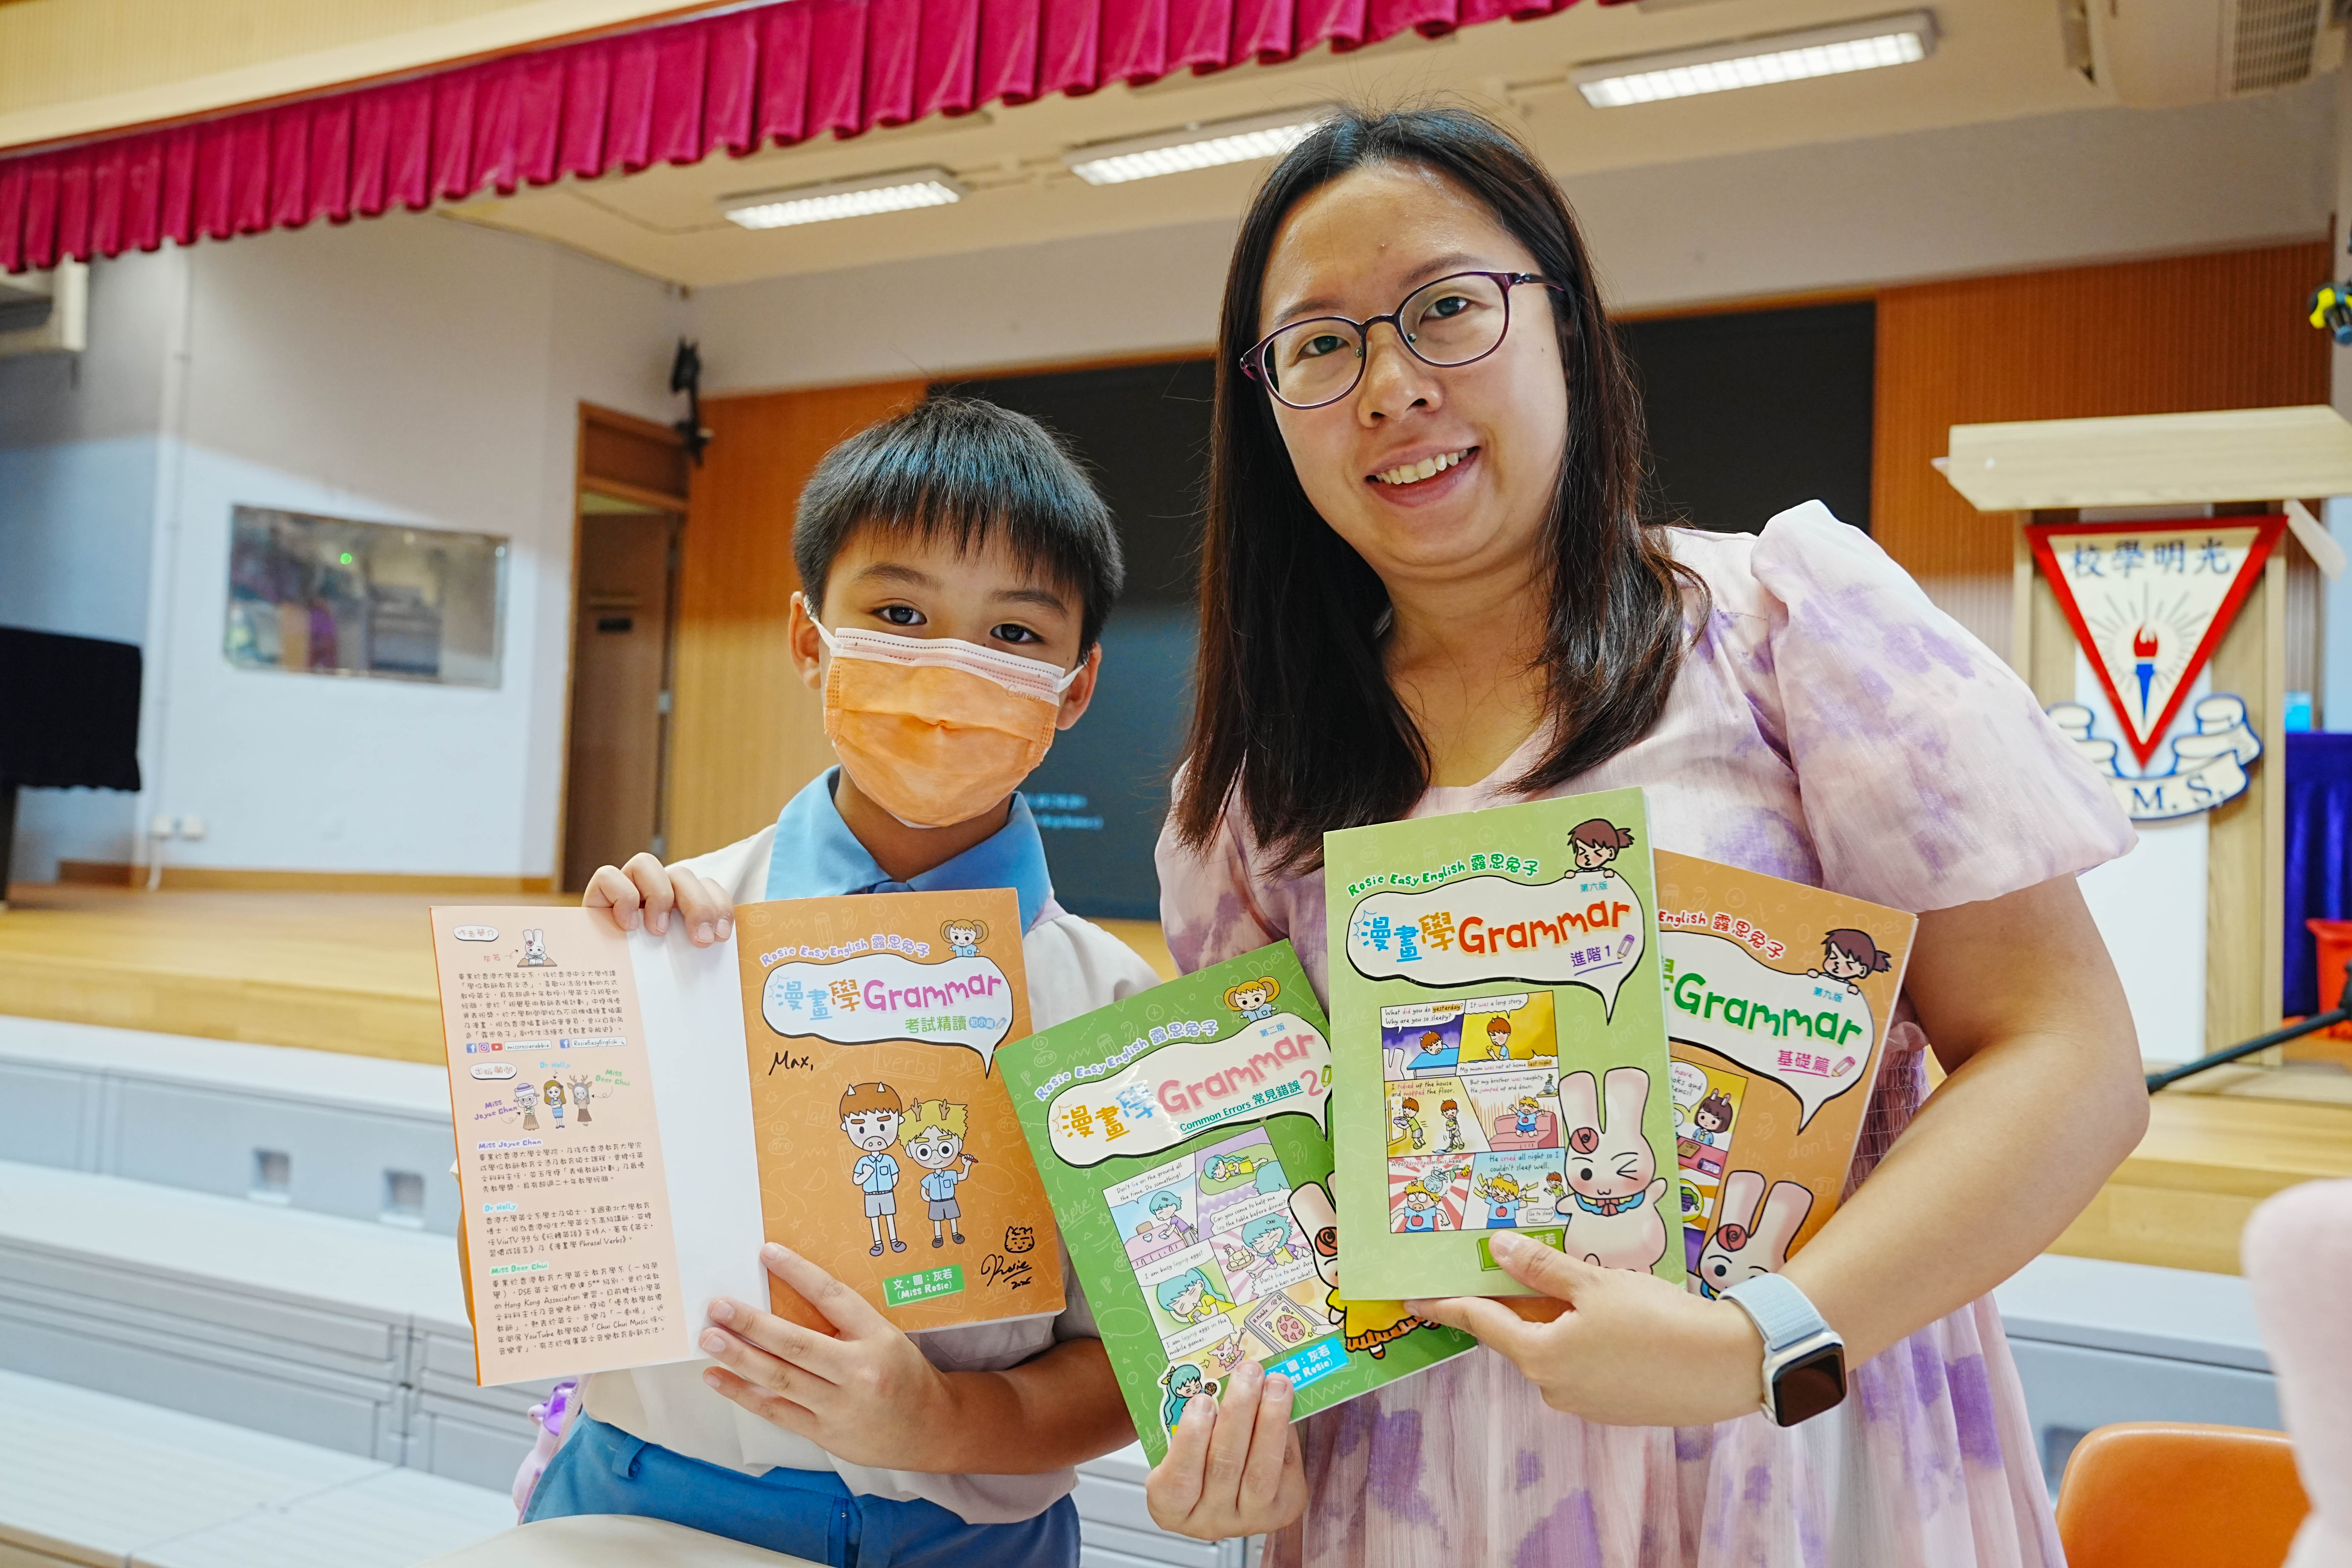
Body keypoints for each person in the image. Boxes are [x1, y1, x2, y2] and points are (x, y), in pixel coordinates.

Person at [1143, 106, 2144, 1564]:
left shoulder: (1781, 632)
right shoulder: (1252, 796)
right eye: (1319, 345)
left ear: (1563, 321)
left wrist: (1755, 1340)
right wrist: (1239, 1446)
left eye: (1446, 308)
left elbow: (2069, 1059)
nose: (1392, 385)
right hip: (1425, 1503)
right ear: (1269, 406)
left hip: (1793, 1461)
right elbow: (1279, 1233)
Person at [530, 396, 1163, 1565]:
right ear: (810, 637)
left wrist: (941, 1420)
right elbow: (536, 1256)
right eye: (900, 613)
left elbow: (1131, 1359)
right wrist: (571, 1042)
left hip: (969, 1543)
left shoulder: (1115, 1007)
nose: (951, 667)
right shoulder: (667, 933)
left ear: (1075, 689)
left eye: (1014, 633)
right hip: (638, 1512)